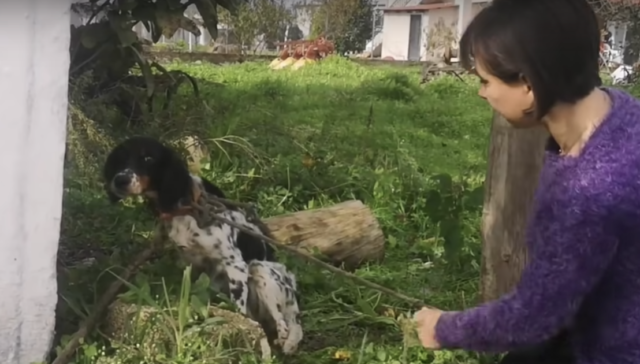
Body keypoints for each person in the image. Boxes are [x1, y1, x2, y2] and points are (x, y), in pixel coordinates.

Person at [413, 0, 640, 364]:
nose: (481, 93)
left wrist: (443, 328)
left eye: (486, 81)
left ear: (530, 83)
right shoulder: (619, 113)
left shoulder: (589, 192)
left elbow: (535, 314)